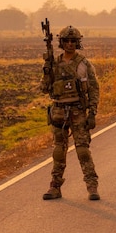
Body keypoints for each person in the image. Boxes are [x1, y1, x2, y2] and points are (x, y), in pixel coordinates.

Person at [41, 25, 100, 201]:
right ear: (61, 42)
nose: (69, 44)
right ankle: (55, 186)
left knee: (83, 150)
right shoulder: (54, 63)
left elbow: (94, 89)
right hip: (59, 112)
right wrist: (47, 71)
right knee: (59, 151)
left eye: (73, 41)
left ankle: (92, 185)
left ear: (78, 42)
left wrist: (92, 112)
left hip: (78, 111)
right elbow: (44, 88)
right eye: (66, 40)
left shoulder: (83, 64)